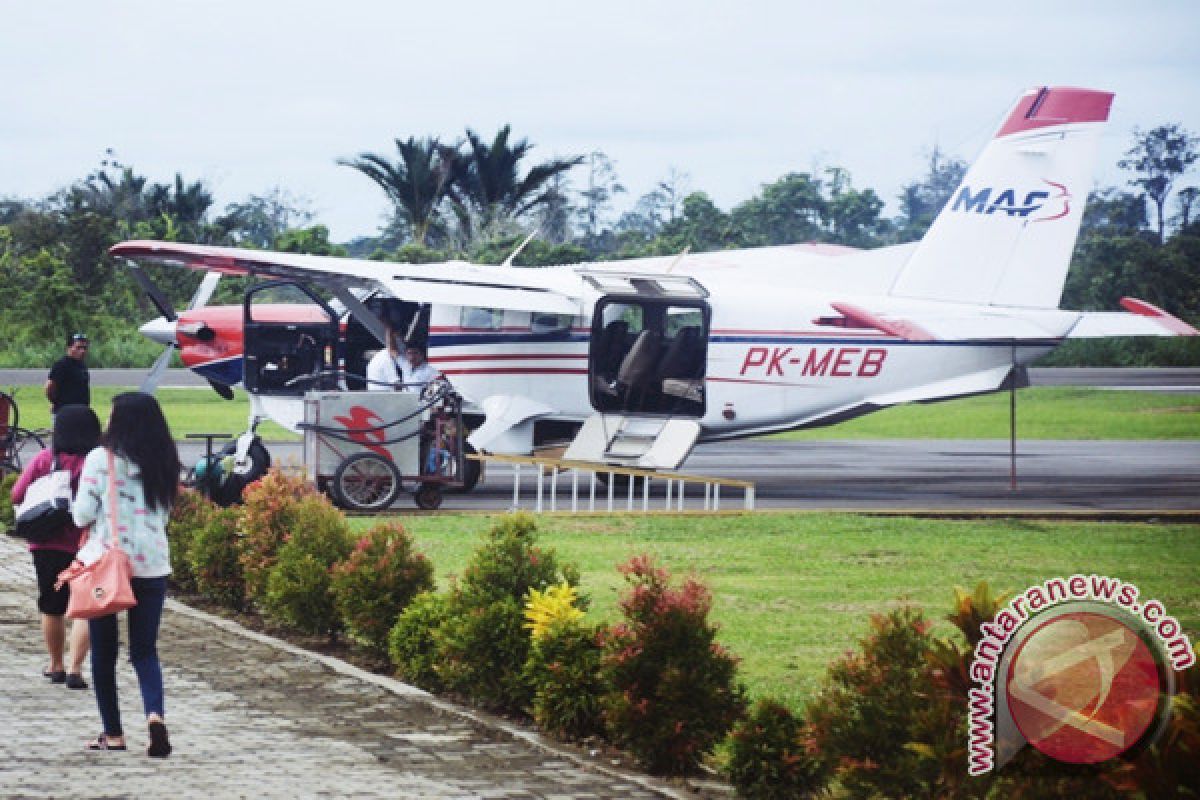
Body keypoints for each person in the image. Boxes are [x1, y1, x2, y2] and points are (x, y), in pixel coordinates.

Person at [72, 392, 180, 757]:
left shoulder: (100, 460)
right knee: (145, 652)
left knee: (103, 653)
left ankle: (113, 733)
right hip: (152, 565)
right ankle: (154, 716)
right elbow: (164, 514)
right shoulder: (164, 459)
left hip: (108, 566)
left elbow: (81, 515)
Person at [11, 404, 102, 691]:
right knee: (84, 609)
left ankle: (56, 665)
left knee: (52, 607)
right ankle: (76, 669)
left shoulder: (44, 459)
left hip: (47, 543)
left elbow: (16, 494)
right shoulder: (98, 462)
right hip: (87, 543)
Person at [46, 333, 91, 413]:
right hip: (65, 412)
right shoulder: (61, 365)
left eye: (84, 348)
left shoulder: (81, 365)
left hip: (81, 411)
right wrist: (56, 402)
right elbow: (49, 387)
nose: (82, 351)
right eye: (78, 347)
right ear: (69, 348)